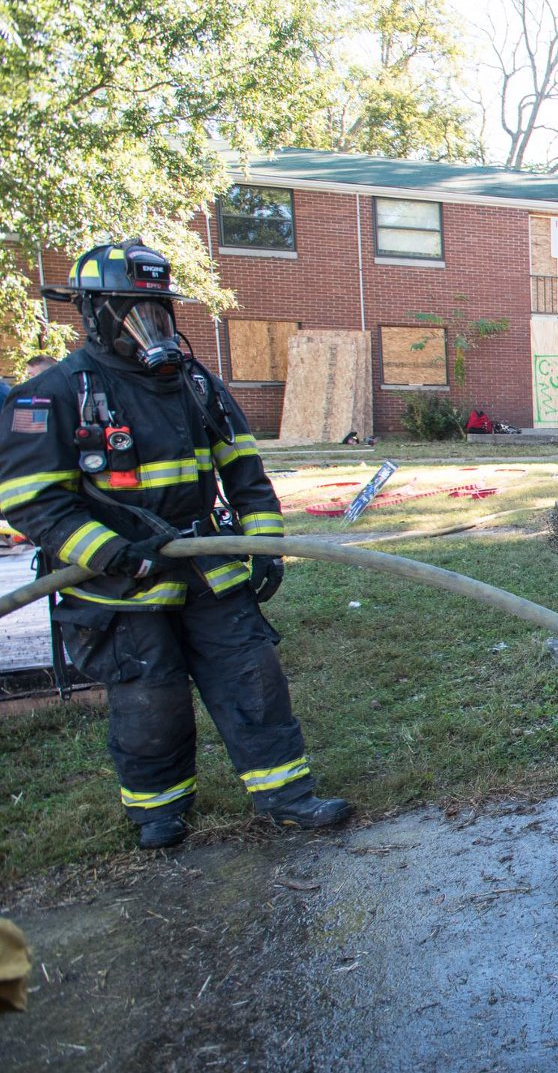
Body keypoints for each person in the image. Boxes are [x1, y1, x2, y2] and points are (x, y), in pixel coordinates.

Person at [0, 240, 350, 850]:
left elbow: (244, 469)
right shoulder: (53, 395)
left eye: (159, 311)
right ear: (93, 313)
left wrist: (264, 543)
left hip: (205, 564)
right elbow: (32, 502)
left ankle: (288, 797)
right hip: (116, 583)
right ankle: (159, 812)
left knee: (253, 679)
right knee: (149, 699)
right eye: (132, 310)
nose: (150, 325)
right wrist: (108, 551)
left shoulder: (196, 385)